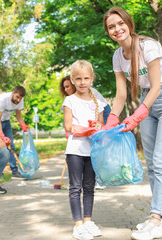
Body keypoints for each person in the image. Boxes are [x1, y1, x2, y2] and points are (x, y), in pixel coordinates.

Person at [103, 7, 162, 240]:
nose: (117, 29)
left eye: (120, 23)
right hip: (146, 104)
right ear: (108, 31)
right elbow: (120, 96)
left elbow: (157, 86)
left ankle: (156, 220)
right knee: (152, 164)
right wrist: (111, 120)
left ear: (129, 23)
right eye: (111, 26)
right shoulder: (117, 56)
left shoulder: (148, 46)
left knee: (161, 161)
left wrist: (137, 115)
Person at [62, 60, 105, 240]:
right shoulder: (70, 100)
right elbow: (69, 126)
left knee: (89, 187)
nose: (82, 82)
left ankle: (88, 221)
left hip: (92, 151)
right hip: (75, 151)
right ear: (72, 79)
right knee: (75, 187)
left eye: (86, 78)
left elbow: (101, 125)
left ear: (92, 78)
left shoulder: (97, 100)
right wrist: (86, 129)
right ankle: (78, 225)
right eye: (78, 78)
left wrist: (97, 127)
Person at [59, 75, 110, 190]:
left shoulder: (90, 92)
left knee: (98, 146)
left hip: (103, 113)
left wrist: (94, 129)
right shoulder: (72, 99)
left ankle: (98, 179)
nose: (66, 90)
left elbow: (96, 115)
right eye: (64, 88)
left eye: (67, 87)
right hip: (91, 119)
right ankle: (83, 179)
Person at [0, 86, 30, 179]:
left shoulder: (20, 100)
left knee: (11, 146)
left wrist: (22, 124)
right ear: (12, 93)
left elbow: (18, 115)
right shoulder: (3, 99)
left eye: (20, 98)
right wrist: (1, 134)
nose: (18, 100)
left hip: (6, 121)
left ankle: (15, 172)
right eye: (17, 97)